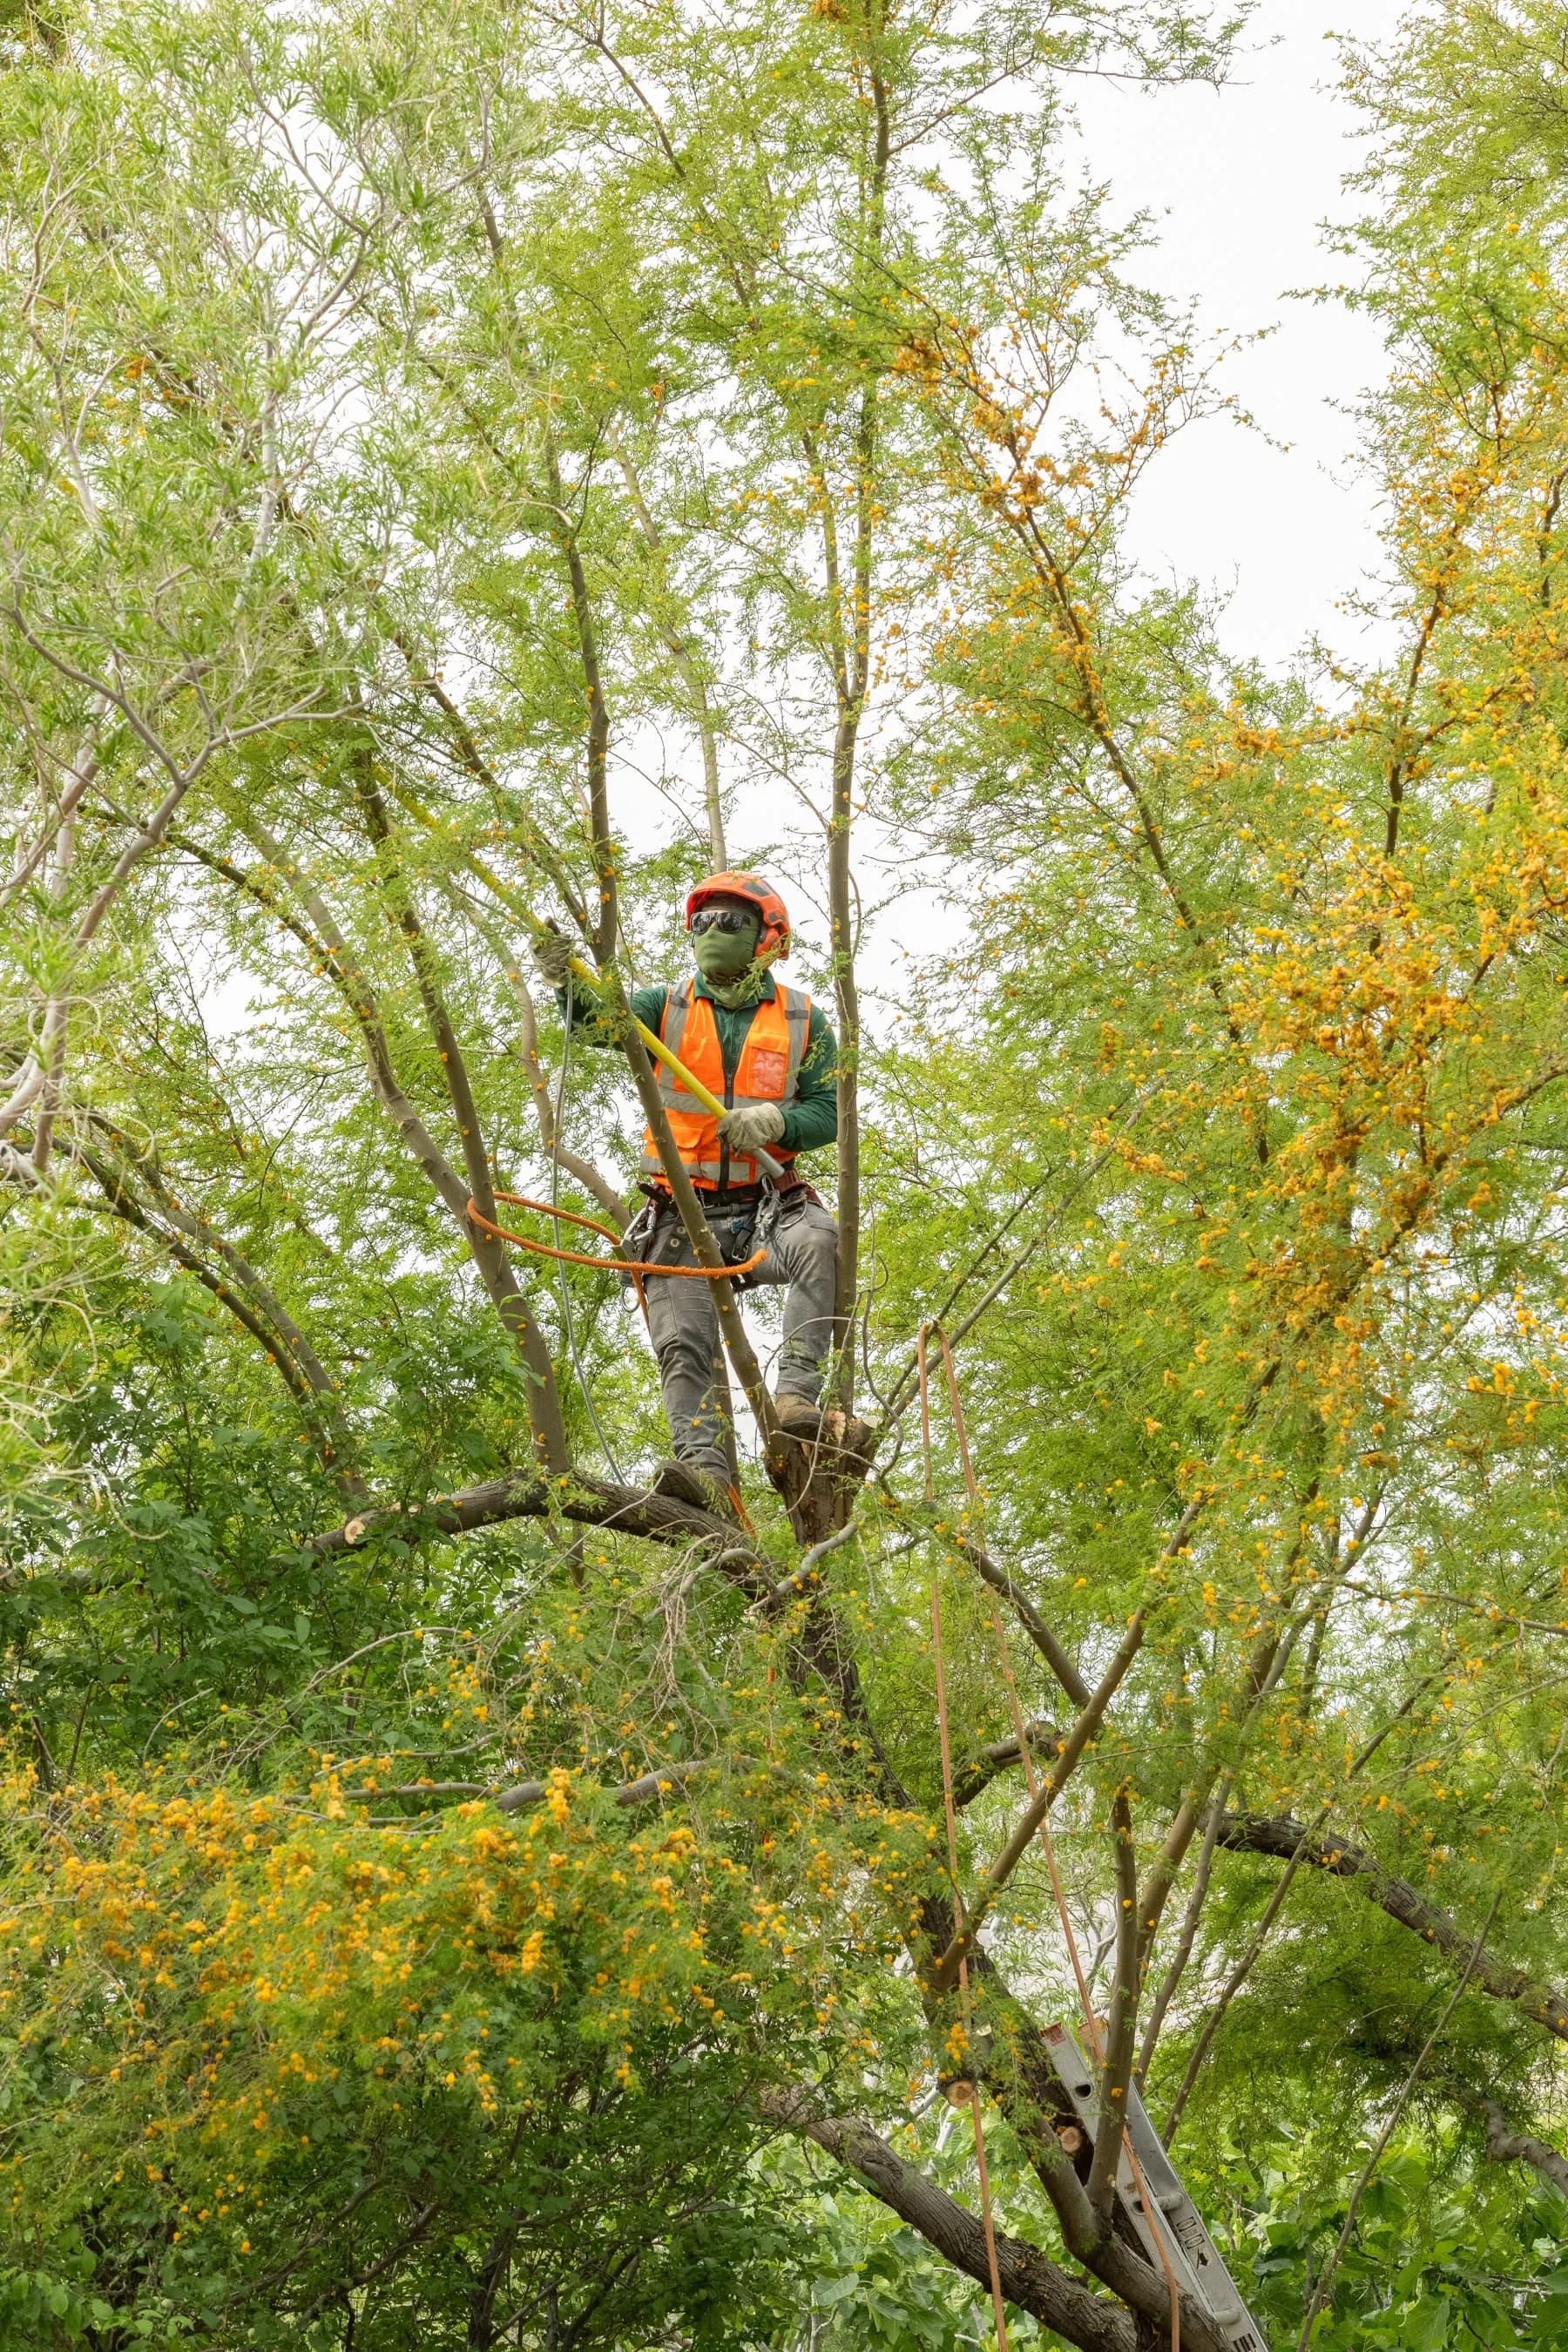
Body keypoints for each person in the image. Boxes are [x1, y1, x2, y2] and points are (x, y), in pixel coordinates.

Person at [531, 872, 839, 1519]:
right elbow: (598, 1023)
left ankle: (796, 1401)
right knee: (681, 1345)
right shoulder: (661, 1009)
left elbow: (827, 1113)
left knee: (818, 1241)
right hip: (682, 1211)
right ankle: (705, 1478)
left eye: (729, 923)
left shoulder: (805, 1021)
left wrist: (778, 1122)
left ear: (767, 941)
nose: (711, 934)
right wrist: (566, 983)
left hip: (765, 1209)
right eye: (702, 923)